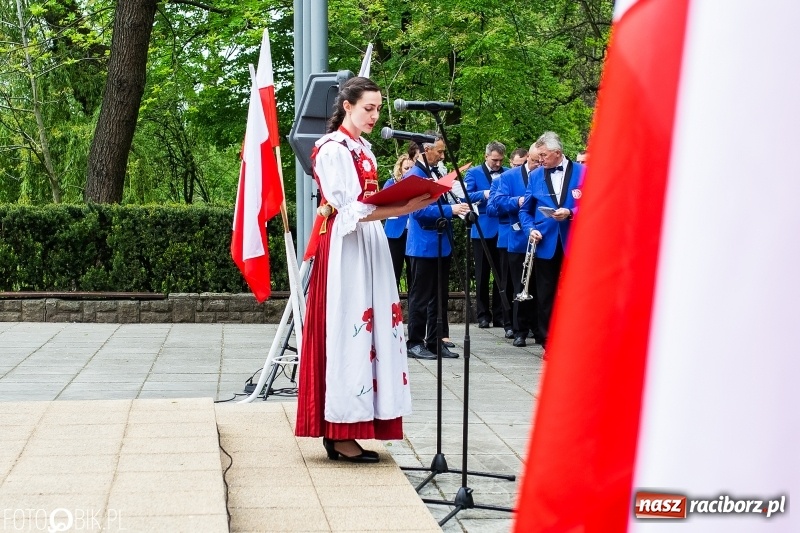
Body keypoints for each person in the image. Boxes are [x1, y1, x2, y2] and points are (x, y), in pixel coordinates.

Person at [295, 77, 435, 462]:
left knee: (373, 333)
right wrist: (402, 208)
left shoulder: (363, 149)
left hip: (369, 242)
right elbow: (348, 208)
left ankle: (360, 424)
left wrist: (401, 204)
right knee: (349, 331)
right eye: (368, 108)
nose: (375, 115)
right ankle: (339, 431)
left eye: (377, 108)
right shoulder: (330, 148)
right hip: (345, 245)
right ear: (347, 105)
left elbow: (368, 202)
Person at [519, 132, 585, 357]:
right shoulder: (536, 175)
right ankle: (548, 342)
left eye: (544, 156)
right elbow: (525, 210)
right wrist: (531, 229)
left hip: (575, 242)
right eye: (538, 157)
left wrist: (571, 212)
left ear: (557, 153)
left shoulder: (583, 172)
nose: (540, 161)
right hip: (545, 241)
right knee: (545, 293)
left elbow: (596, 204)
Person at [405, 134, 471, 360]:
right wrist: (450, 211)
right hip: (424, 245)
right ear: (425, 149)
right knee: (420, 297)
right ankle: (414, 342)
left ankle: (434, 341)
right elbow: (419, 212)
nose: (442, 156)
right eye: (439, 152)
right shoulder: (414, 175)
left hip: (441, 243)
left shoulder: (434, 172)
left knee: (438, 297)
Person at [488, 144, 541, 347]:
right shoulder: (509, 177)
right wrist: (517, 201)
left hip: (542, 238)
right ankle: (519, 330)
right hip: (518, 239)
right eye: (535, 160)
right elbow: (496, 204)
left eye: (540, 160)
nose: (538, 164)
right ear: (528, 157)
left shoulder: (546, 174)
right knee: (520, 286)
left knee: (539, 286)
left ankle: (539, 329)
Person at [464, 141, 509, 329]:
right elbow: (464, 196)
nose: (497, 164)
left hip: (502, 227)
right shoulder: (473, 173)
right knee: (482, 274)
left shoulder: (508, 172)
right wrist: (484, 193)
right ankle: (483, 315)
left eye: (500, 160)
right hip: (481, 228)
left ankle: (500, 314)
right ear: (486, 156)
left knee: (502, 274)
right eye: (494, 160)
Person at [383, 154, 415, 291]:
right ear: (400, 169)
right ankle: (392, 309)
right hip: (395, 233)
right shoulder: (391, 183)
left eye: (412, 168)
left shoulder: (418, 184)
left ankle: (413, 311)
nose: (409, 170)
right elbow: (384, 204)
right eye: (406, 168)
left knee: (413, 275)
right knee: (393, 273)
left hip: (413, 233)